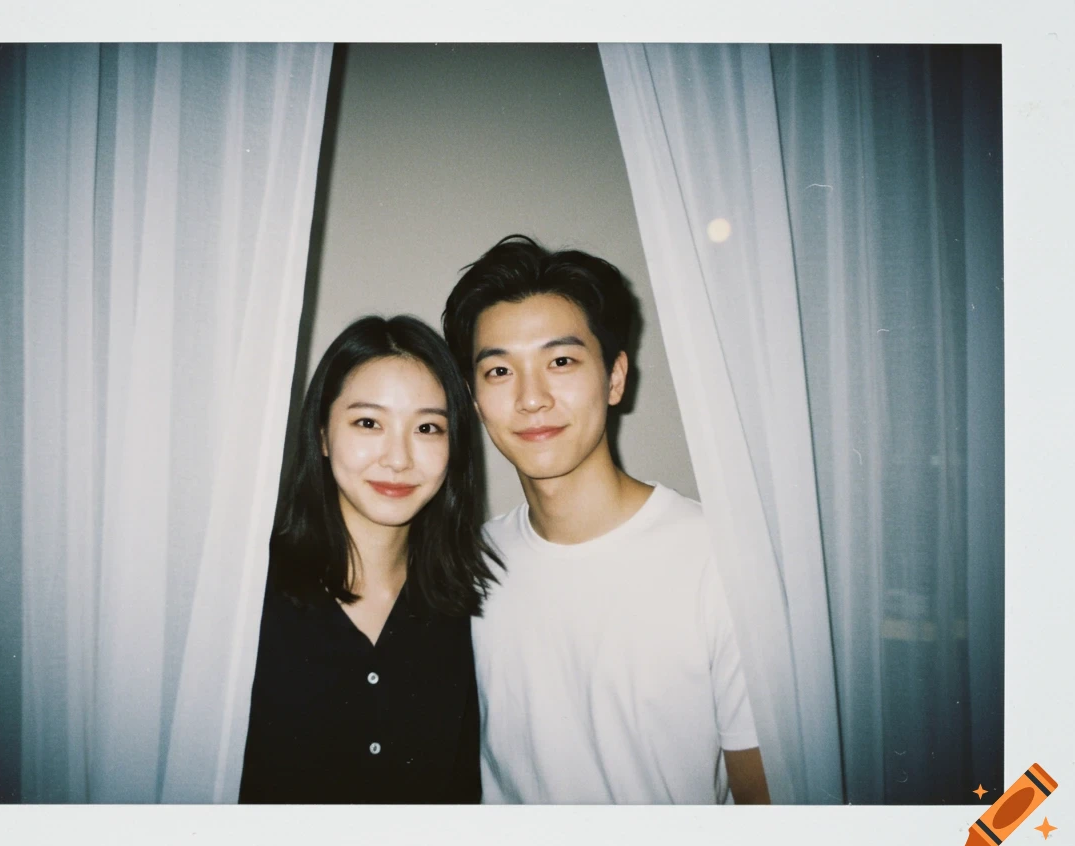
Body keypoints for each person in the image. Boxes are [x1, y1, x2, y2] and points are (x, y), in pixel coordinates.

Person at [442, 235, 771, 804]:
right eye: (499, 371)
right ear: (473, 398)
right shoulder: (468, 565)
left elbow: (766, 811)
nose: (531, 398)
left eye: (562, 361)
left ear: (615, 378)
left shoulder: (721, 559)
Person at [239, 314, 500, 804]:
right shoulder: (244, 595)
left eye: (427, 427)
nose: (398, 458)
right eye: (368, 422)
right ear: (321, 434)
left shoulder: (472, 604)